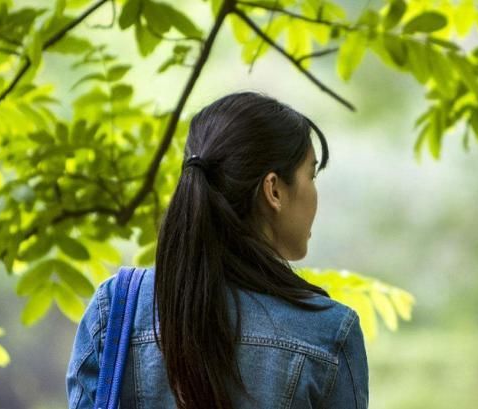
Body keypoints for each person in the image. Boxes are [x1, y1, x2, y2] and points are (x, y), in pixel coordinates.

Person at [66, 91, 369, 408]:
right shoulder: (328, 333)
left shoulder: (116, 307)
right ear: (274, 190)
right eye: (312, 174)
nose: (315, 192)